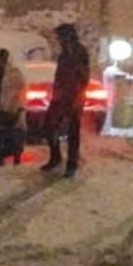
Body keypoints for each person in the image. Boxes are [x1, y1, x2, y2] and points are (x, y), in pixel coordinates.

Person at [43, 23, 91, 178]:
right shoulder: (65, 52)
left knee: (72, 131)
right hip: (61, 95)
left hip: (73, 96)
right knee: (50, 126)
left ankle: (71, 163)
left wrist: (78, 96)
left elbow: (83, 76)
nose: (58, 40)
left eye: (60, 36)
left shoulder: (77, 52)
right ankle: (56, 157)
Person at [0, 48, 26, 169]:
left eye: (2, 59)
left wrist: (17, 107)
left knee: (13, 136)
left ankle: (15, 161)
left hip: (10, 110)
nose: (0, 62)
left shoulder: (14, 74)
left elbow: (20, 91)